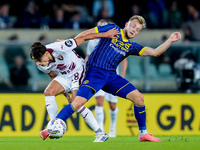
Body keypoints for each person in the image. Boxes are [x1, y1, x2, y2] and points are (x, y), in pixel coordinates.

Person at [55, 15, 181, 142]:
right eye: (133, 26)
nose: (134, 30)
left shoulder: (131, 46)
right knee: (77, 103)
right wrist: (68, 44)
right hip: (95, 73)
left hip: (111, 76)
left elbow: (155, 52)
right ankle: (54, 124)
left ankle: (143, 134)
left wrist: (170, 40)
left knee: (139, 98)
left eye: (137, 30)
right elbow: (87, 33)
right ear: (126, 24)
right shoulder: (112, 28)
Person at [30, 27, 119, 142]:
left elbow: (83, 37)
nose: (38, 63)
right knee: (48, 92)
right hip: (65, 76)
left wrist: (106, 34)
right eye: (36, 61)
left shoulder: (60, 47)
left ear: (46, 53)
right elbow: (52, 75)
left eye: (39, 59)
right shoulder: (41, 65)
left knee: (76, 104)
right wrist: (65, 93)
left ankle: (100, 133)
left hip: (78, 70)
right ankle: (53, 127)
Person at [85, 19, 127, 137]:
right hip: (97, 76)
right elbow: (88, 57)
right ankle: (101, 131)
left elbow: (124, 59)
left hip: (112, 76)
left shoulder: (116, 40)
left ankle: (113, 126)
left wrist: (122, 75)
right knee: (99, 101)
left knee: (112, 105)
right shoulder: (93, 41)